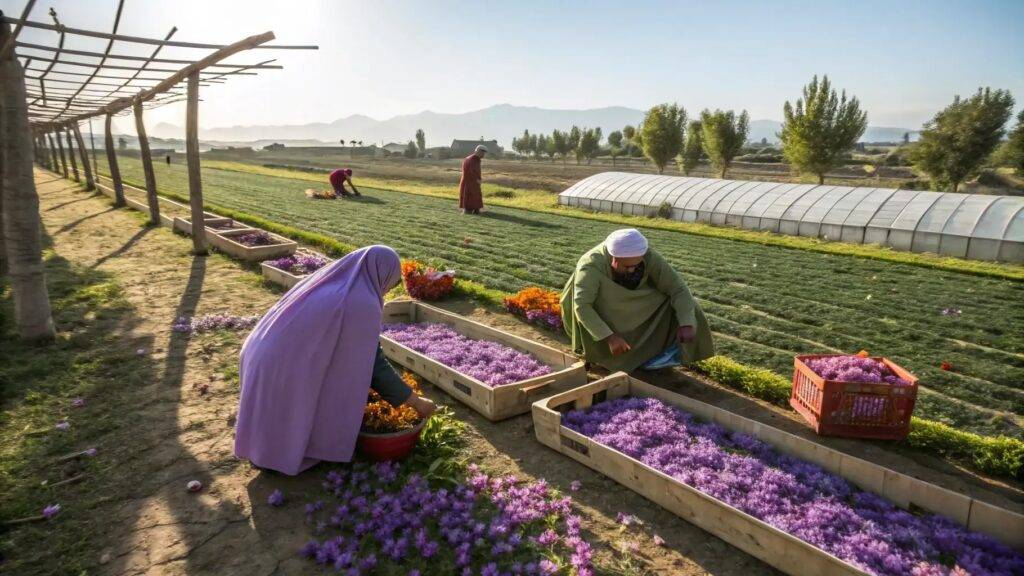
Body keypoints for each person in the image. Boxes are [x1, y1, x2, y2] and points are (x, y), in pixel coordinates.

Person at [234, 245, 436, 475]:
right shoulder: (361, 302)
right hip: (282, 364)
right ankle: (281, 455)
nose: (388, 290)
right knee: (293, 401)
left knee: (279, 404)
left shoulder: (329, 281)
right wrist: (418, 403)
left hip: (260, 354)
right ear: (383, 274)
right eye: (391, 283)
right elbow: (373, 366)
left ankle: (263, 449)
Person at [560, 228, 714, 373]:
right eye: (626, 267)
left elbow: (678, 289)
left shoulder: (649, 257)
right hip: (604, 306)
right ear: (613, 259)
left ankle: (652, 357)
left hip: (632, 304)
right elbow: (582, 306)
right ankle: (601, 356)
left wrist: (686, 323)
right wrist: (609, 337)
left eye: (636, 265)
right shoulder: (591, 265)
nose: (632, 270)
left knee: (688, 305)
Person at [458, 145, 486, 214]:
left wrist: (478, 179)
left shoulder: (476, 159)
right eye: (482, 152)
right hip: (469, 182)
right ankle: (467, 211)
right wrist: (477, 180)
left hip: (473, 182)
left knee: (476, 195)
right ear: (478, 151)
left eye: (484, 153)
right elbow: (470, 172)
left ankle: (476, 210)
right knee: (469, 196)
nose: (484, 155)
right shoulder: (471, 159)